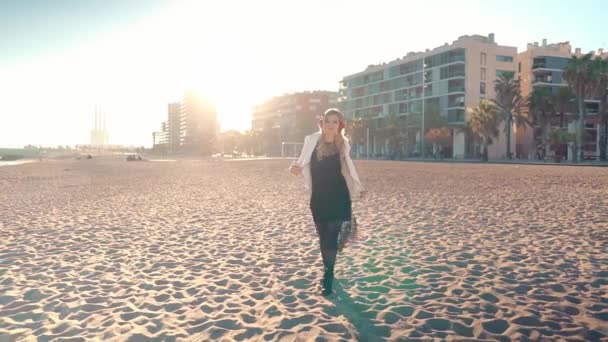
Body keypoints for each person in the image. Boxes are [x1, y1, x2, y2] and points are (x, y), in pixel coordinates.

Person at [289, 108, 365, 296]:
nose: (331, 125)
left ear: (340, 125)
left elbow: (348, 170)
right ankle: (330, 267)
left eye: (335, 121)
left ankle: (328, 277)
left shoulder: (343, 144)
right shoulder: (311, 141)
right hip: (319, 197)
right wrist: (295, 168)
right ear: (322, 123)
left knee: (334, 235)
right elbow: (301, 162)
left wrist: (357, 188)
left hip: (340, 195)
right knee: (325, 237)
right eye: (328, 121)